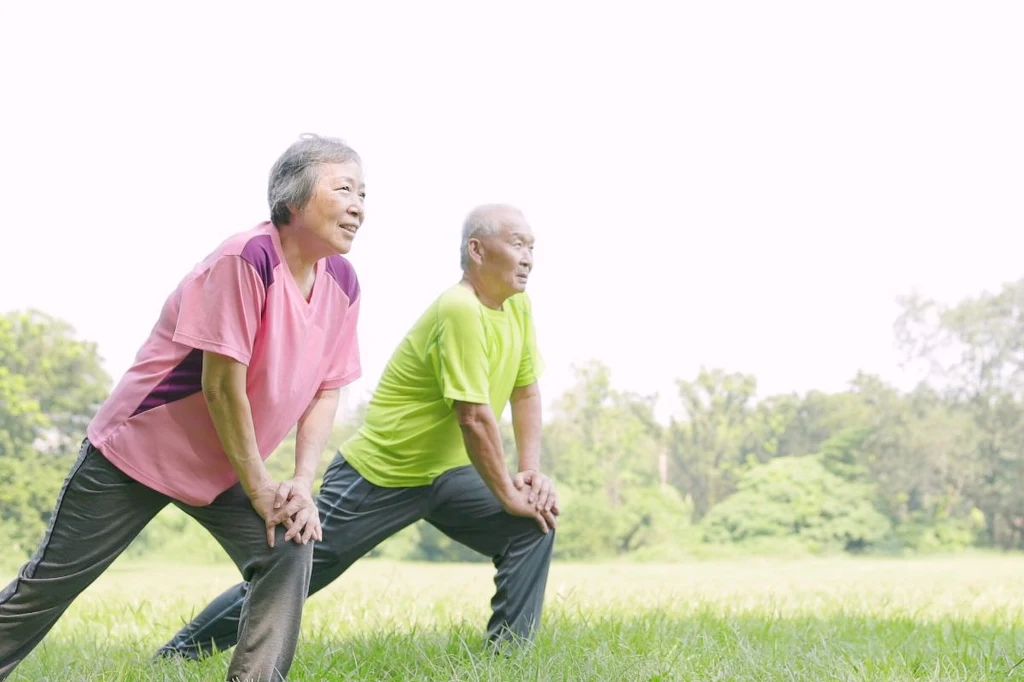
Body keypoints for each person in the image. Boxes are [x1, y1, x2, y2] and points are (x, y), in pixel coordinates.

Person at [0, 133, 368, 682]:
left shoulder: (342, 282)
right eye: (345, 189)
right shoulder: (246, 259)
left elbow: (327, 387)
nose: (360, 206)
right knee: (49, 586)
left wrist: (299, 482)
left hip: (227, 464)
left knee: (289, 545)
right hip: (138, 451)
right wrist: (261, 486)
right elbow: (222, 387)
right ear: (293, 200)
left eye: (365, 193)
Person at [155, 203, 560, 664]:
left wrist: (528, 475)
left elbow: (525, 393)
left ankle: (509, 661)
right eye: (516, 244)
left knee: (532, 525)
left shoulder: (517, 309)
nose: (528, 257)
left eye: (531, 246)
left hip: (446, 473)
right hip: (379, 474)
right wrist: (507, 492)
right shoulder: (460, 309)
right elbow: (474, 417)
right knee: (302, 568)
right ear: (478, 250)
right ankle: (179, 653)